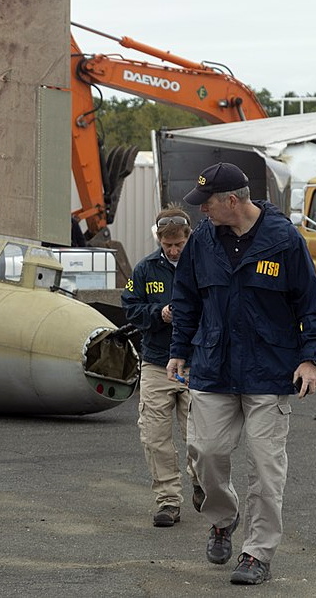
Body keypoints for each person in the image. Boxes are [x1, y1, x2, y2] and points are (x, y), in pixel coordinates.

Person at [166, 162, 316, 585]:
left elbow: (312, 304)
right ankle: (223, 519)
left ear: (232, 201)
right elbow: (186, 299)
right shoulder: (203, 241)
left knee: (266, 467)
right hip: (213, 367)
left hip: (269, 371)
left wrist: (311, 358)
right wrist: (179, 351)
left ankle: (257, 553)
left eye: (208, 204)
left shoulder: (283, 241)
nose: (202, 212)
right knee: (204, 453)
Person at [121, 207, 203, 528]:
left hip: (195, 365)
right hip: (156, 362)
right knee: (155, 436)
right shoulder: (144, 270)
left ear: (188, 237)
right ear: (159, 239)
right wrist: (158, 313)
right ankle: (168, 500)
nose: (172, 250)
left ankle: (200, 481)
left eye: (178, 244)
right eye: (167, 244)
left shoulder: (202, 267)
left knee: (199, 436)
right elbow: (130, 308)